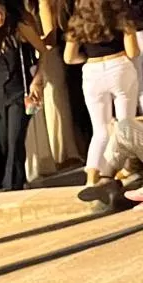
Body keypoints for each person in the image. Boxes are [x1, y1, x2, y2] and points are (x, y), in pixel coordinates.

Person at [66, 0, 140, 194]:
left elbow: (69, 58)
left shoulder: (78, 18)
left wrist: (89, 59)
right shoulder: (120, 11)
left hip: (92, 71)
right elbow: (133, 51)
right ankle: (118, 173)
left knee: (100, 131)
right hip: (120, 67)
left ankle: (91, 180)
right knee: (125, 126)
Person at [0, 0, 47, 191]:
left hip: (20, 90)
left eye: (1, 12)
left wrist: (37, 79)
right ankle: (2, 183)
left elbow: (43, 51)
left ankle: (14, 184)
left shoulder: (18, 27)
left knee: (15, 137)